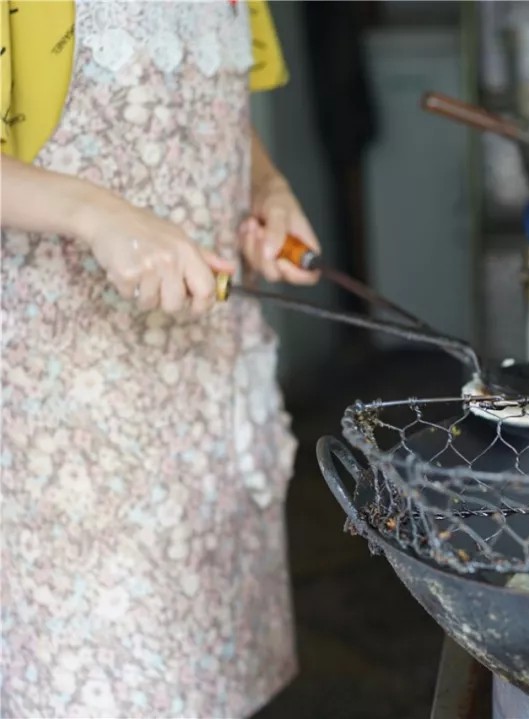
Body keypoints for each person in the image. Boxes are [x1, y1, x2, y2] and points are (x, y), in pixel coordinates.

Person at [1, 2, 315, 716]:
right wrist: (97, 212)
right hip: (69, 414)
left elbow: (217, 103)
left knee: (218, 671)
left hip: (211, 387)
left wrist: (267, 188)